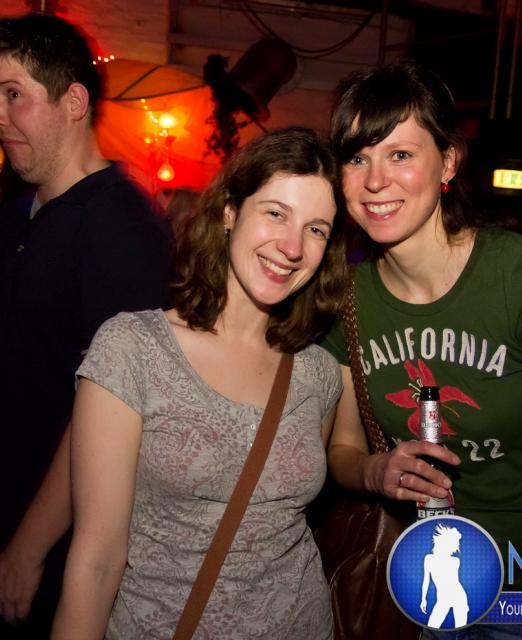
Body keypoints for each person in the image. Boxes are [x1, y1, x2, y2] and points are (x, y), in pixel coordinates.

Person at [320, 62, 522, 640]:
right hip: (416, 591)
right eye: (357, 158)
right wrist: (375, 470)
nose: (375, 181)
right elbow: (343, 448)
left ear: (447, 162)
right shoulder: (346, 297)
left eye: (400, 154)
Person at [51, 127, 348, 639]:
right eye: (276, 213)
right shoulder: (133, 350)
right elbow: (96, 562)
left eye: (316, 229)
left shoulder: (317, 373)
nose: (292, 246)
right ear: (231, 211)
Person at [0, 14, 171, 638]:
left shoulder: (119, 226)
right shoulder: (20, 212)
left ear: (73, 101)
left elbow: (109, 410)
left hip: (52, 545)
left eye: (13, 94)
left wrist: (29, 546)